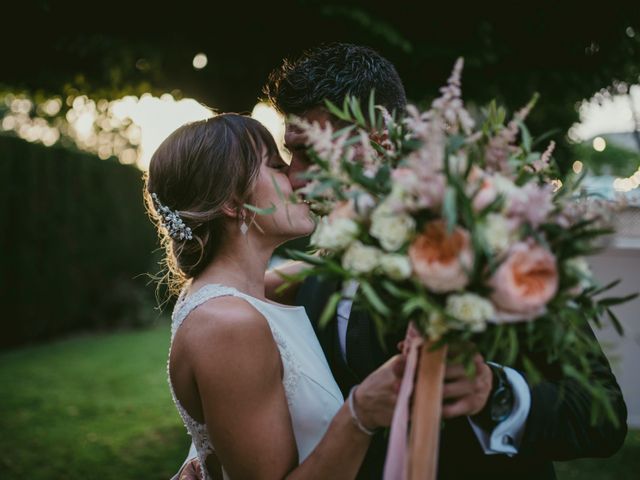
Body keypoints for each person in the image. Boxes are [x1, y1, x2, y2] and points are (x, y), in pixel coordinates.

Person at [261, 43, 628, 479]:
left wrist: (493, 392)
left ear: (380, 141)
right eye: (291, 154)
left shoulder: (499, 244)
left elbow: (601, 417)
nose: (294, 176)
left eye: (313, 154)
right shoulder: (319, 279)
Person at [146, 113, 406, 480]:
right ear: (233, 202)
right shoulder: (229, 325)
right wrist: (360, 413)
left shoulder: (246, 292)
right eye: (276, 166)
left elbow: (328, 262)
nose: (297, 178)